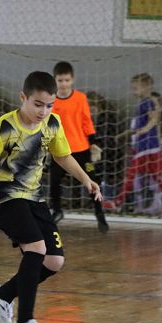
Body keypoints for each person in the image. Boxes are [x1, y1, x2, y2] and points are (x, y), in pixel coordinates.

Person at [0, 71, 101, 323]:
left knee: (54, 261)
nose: (44, 111)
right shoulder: (2, 128)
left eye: (49, 105)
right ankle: (26, 320)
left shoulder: (52, 123)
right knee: (36, 249)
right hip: (5, 198)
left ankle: (3, 294)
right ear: (23, 98)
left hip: (34, 198)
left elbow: (62, 156)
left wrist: (86, 179)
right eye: (38, 104)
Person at [104, 73, 162, 215]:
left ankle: (118, 203)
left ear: (146, 87)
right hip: (150, 147)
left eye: (135, 88)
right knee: (157, 177)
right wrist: (124, 135)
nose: (133, 91)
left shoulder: (148, 102)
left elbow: (154, 119)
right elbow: (139, 126)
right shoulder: (143, 103)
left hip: (146, 146)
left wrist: (144, 130)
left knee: (131, 174)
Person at [48, 62, 106, 231]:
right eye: (60, 80)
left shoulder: (80, 98)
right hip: (60, 150)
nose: (63, 84)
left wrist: (93, 142)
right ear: (54, 80)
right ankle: (57, 211)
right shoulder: (50, 100)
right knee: (54, 182)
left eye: (67, 80)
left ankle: (99, 213)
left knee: (91, 181)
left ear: (72, 79)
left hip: (81, 149)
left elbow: (86, 121)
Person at [87, 91, 123, 201]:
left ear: (97, 105)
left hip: (108, 156)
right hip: (105, 155)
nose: (89, 110)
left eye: (91, 106)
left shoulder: (106, 118)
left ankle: (102, 198)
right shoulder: (100, 118)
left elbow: (105, 140)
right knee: (89, 168)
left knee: (90, 169)